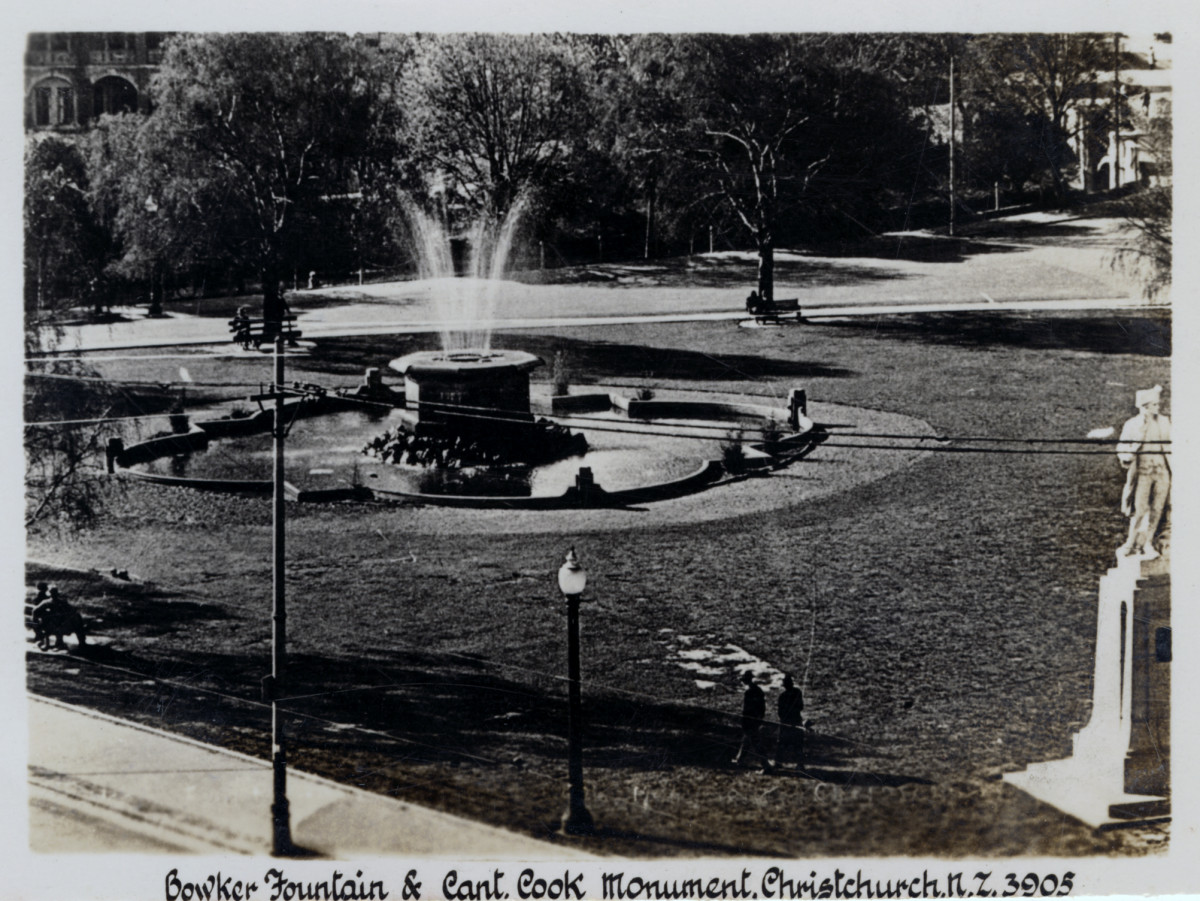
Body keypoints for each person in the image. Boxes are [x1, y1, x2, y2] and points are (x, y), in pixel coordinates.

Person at [1116, 385, 1171, 560]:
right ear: (1145, 407)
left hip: (1162, 472)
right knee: (1140, 511)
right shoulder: (1132, 425)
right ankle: (1131, 543)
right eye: (1154, 404)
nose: (1158, 407)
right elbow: (1122, 448)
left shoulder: (1164, 422)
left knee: (1157, 510)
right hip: (1143, 473)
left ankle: (1147, 543)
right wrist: (1132, 450)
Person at [732, 671, 771, 772]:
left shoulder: (750, 691)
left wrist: (746, 721)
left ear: (746, 680)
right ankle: (739, 760)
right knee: (747, 740)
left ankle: (766, 765)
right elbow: (762, 707)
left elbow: (747, 710)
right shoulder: (758, 690)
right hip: (755, 720)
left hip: (750, 721)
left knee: (755, 743)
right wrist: (759, 719)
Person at [31, 587, 85, 651]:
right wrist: (37, 619)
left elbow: (71, 610)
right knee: (62, 627)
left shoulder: (61, 602)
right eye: (53, 593)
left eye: (54, 594)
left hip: (60, 624)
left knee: (75, 623)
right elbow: (35, 611)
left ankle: (61, 643)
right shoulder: (47, 602)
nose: (53, 595)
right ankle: (57, 643)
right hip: (51, 624)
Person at [774, 674, 806, 769]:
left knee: (782, 743)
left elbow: (780, 712)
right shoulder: (797, 692)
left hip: (786, 722)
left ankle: (778, 762)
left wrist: (784, 718)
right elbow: (800, 707)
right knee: (798, 743)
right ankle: (800, 764)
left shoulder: (782, 696)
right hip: (795, 720)